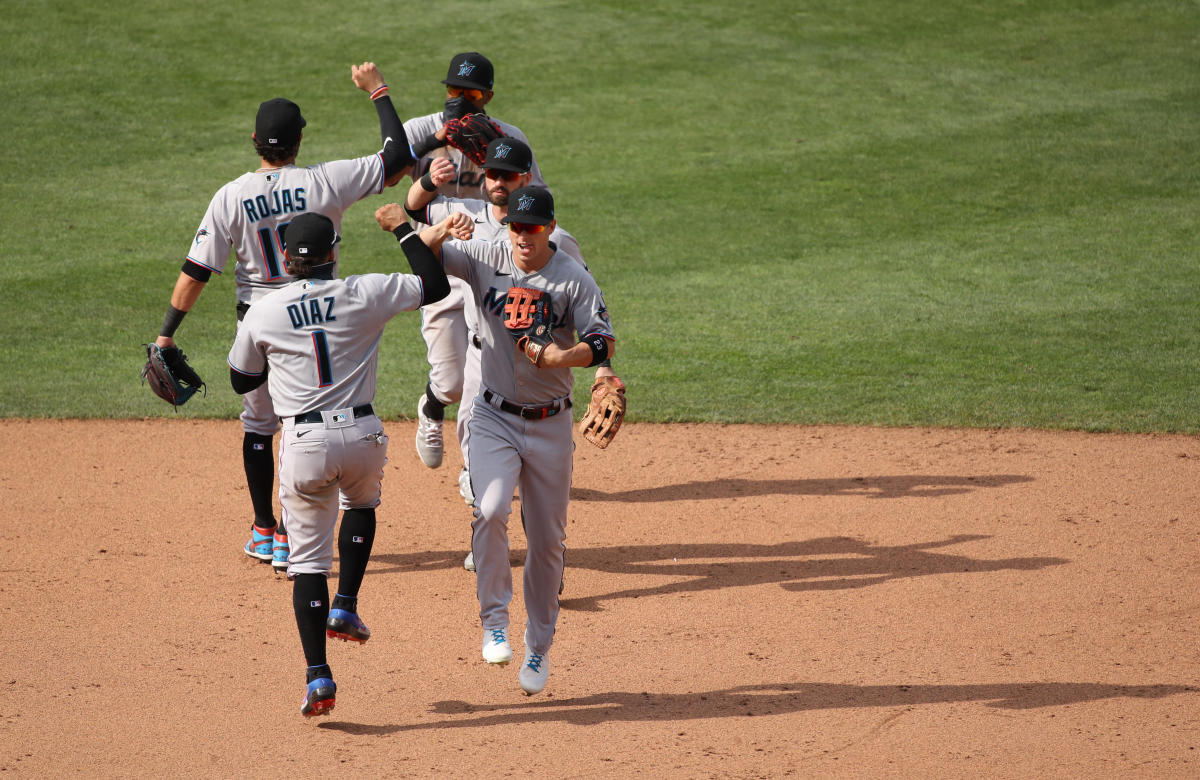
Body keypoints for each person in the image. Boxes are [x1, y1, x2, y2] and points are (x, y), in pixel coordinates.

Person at [151, 62, 412, 575]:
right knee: (306, 419)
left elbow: (196, 272)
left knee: (259, 425)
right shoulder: (326, 180)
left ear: (255, 141)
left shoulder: (230, 195)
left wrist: (166, 334)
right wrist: (377, 91)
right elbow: (398, 158)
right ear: (299, 140)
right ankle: (296, 532)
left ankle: (264, 530)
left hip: (260, 322)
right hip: (323, 318)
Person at [377, 185, 617, 695]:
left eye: (532, 228)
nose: (522, 237)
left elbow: (601, 340)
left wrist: (564, 359)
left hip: (552, 422)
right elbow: (430, 264)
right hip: (492, 415)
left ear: (550, 228)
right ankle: (494, 622)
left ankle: (538, 647)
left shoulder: (571, 278)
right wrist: (426, 228)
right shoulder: (486, 254)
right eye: (515, 227)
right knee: (488, 510)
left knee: (548, 543)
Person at [227, 210, 452, 716]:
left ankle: (318, 676)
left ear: (286, 258)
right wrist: (402, 227)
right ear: (334, 253)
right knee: (363, 502)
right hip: (363, 434)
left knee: (307, 564)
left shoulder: (264, 311)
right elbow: (434, 286)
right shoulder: (366, 291)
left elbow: (242, 381)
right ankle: (346, 605)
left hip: (304, 442)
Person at [405, 137, 621, 579]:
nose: (499, 182)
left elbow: (593, 310)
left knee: (538, 493)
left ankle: (541, 561)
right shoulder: (470, 226)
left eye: (508, 175)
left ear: (526, 178)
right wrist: (438, 227)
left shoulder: (563, 246)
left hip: (545, 380)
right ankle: (485, 534)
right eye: (492, 173)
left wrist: (595, 364)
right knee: (478, 463)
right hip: (481, 360)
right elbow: (418, 236)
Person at [402, 53, 546, 473]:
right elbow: (390, 176)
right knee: (450, 382)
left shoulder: (509, 137)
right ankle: (431, 406)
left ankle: (477, 470)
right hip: (443, 259)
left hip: (493, 265)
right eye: (454, 90)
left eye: (472, 92)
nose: (461, 99)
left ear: (489, 96)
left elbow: (535, 199)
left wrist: (492, 155)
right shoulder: (417, 129)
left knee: (488, 371)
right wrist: (434, 140)